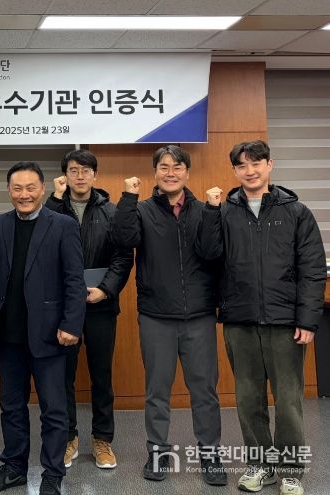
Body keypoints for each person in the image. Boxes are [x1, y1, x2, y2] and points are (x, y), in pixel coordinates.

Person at [196, 140, 326, 495]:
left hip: (285, 322)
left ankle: (290, 471)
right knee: (248, 399)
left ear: (270, 165)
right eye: (242, 165)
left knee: (288, 401)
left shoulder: (296, 211)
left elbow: (312, 269)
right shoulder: (224, 211)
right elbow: (207, 255)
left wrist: (307, 319)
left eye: (256, 163)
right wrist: (210, 212)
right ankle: (260, 465)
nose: (249, 171)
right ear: (234, 171)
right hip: (240, 320)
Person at [112, 145, 226, 486]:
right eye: (164, 167)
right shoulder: (142, 210)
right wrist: (128, 198)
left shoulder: (204, 210)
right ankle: (158, 452)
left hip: (199, 316)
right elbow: (124, 239)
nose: (171, 172)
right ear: (155, 173)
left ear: (187, 172)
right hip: (156, 316)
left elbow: (212, 252)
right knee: (157, 391)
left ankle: (210, 455)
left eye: (177, 167)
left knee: (205, 391)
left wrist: (213, 212)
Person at [0, 162, 85, 495]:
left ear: (42, 189)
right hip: (9, 333)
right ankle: (14, 468)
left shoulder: (63, 225)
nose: (24, 194)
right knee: (11, 407)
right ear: (9, 191)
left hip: (50, 334)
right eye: (17, 188)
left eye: (31, 187)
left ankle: (52, 474)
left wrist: (71, 324)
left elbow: (74, 279)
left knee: (54, 410)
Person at [44, 149, 132, 470]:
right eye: (73, 170)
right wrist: (54, 200)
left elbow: (123, 256)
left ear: (95, 175)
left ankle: (102, 440)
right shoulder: (53, 209)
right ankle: (68, 437)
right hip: (63, 307)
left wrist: (105, 290)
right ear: (64, 176)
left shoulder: (111, 211)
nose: (79, 176)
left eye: (85, 171)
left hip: (101, 305)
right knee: (62, 375)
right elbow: (41, 245)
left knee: (101, 375)